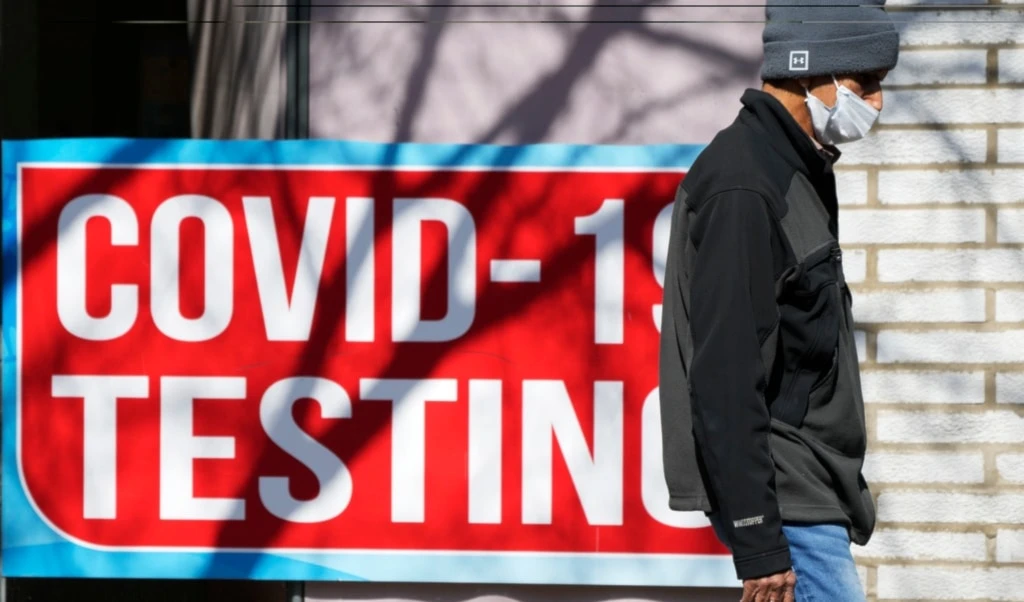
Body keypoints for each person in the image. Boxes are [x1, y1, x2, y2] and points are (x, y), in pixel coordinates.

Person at [657, 1, 899, 601]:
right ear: (806, 68)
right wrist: (759, 540)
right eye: (864, 83)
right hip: (787, 501)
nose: (875, 103)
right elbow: (723, 373)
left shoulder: (797, 169)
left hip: (810, 493)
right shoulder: (746, 186)